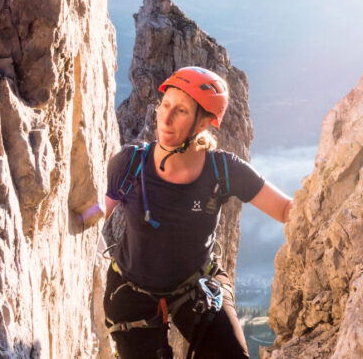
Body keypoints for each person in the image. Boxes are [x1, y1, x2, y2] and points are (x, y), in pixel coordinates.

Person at [102, 66, 292, 359]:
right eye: (165, 105)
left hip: (198, 287)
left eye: (180, 110)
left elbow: (285, 209)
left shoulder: (223, 171)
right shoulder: (130, 164)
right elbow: (98, 209)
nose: (165, 118)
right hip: (132, 293)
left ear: (204, 122)